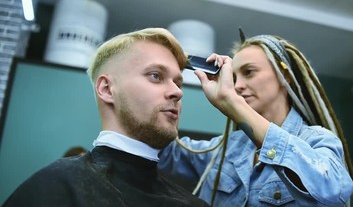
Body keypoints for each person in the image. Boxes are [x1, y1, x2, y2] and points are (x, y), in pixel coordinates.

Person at [3, 28, 209, 207]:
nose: (177, 92)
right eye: (156, 76)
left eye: (178, 83)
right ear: (107, 89)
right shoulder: (56, 186)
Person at [158, 30, 353, 206]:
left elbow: (333, 193)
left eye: (249, 72)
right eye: (235, 77)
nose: (237, 86)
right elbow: (166, 152)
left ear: (286, 76)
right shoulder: (226, 149)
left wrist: (234, 104)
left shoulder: (317, 140)